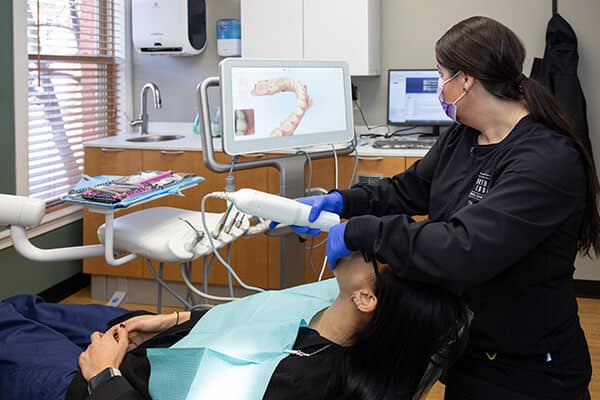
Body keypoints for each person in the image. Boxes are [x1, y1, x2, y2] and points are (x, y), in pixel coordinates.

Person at [289, 16, 598, 400]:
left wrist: (362, 232)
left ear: (465, 81)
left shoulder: (546, 159)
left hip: (530, 367)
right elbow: (408, 190)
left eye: (441, 76)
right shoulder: (463, 138)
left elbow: (465, 247)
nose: (440, 87)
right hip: (469, 348)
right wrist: (340, 201)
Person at [0, 253, 469, 400]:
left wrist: (104, 375)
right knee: (21, 305)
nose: (362, 239)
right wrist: (176, 320)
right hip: (158, 340)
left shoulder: (297, 380)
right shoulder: (332, 300)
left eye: (375, 253)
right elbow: (253, 319)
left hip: (106, 384)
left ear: (366, 298)